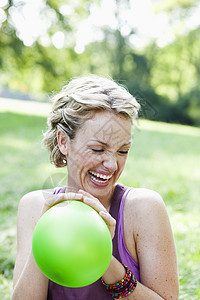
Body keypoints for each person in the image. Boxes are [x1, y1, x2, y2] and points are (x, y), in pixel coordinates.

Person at [12, 75, 179, 300]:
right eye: (98, 149)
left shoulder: (144, 208)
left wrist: (104, 258)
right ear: (63, 142)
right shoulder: (34, 207)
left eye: (122, 151)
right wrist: (45, 234)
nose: (112, 164)